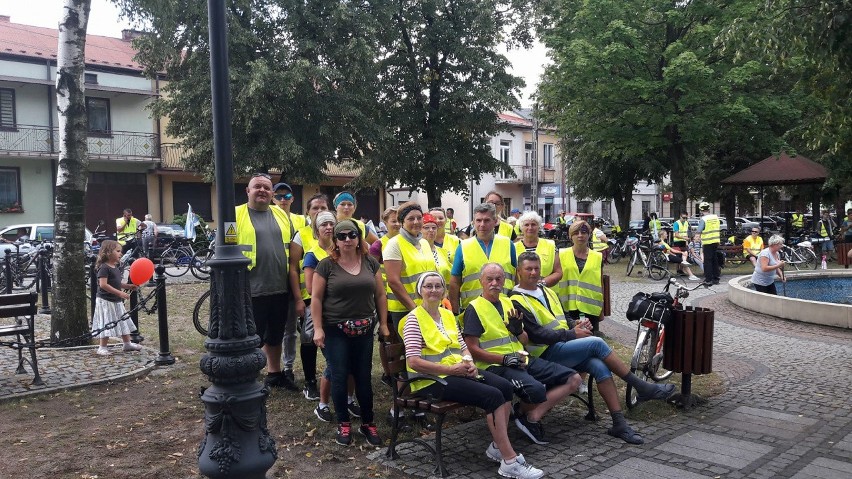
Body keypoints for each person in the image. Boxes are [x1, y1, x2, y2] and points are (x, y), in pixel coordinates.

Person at [510, 252, 675, 444]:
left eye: (536, 268)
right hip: (544, 354)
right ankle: (642, 387)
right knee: (597, 343)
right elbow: (537, 334)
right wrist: (572, 334)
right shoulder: (515, 299)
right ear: (519, 271)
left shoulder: (546, 291)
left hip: (564, 347)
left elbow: (563, 318)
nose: (533, 272)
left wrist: (576, 325)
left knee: (599, 365)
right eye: (528, 269)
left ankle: (619, 423)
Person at [401, 272, 544, 479]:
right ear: (420, 291)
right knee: (492, 396)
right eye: (428, 287)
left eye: (438, 286)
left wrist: (469, 364)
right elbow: (413, 361)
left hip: (456, 373)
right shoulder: (413, 319)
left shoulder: (447, 315)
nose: (433, 291)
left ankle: (497, 446)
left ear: (443, 291)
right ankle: (509, 461)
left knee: (504, 386)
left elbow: (462, 346)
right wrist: (452, 370)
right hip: (429, 381)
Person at [463, 263, 580, 445]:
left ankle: (527, 416)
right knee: (536, 390)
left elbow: (524, 340)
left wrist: (518, 331)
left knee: (574, 379)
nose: (494, 283)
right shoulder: (474, 308)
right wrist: (504, 359)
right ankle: (523, 415)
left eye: (498, 279)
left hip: (521, 359)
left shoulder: (508, 301)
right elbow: (472, 350)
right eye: (489, 279)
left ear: (504, 280)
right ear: (481, 281)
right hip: (495, 366)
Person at [311, 219, 387, 446]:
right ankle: (343, 423)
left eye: (351, 235)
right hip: (335, 329)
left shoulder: (370, 263)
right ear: (334, 239)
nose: (347, 239)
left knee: (363, 376)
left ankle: (368, 423)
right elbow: (316, 298)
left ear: (359, 238)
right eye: (341, 236)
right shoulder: (326, 265)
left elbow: (380, 295)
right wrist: (317, 328)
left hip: (364, 328)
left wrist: (383, 323)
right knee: (339, 375)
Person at [236, 173, 294, 389]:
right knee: (253, 336)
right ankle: (248, 375)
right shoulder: (235, 215)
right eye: (257, 186)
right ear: (248, 191)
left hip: (280, 286)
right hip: (250, 288)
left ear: (272, 193)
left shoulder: (280, 214)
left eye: (266, 188)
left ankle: (274, 373)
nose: (262, 190)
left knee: (276, 334)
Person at [302, 211, 361, 423]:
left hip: (352, 316)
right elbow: (311, 288)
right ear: (316, 230)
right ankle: (323, 404)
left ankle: (348, 398)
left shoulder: (346, 250)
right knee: (335, 365)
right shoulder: (313, 255)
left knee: (353, 362)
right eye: (323, 224)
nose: (328, 227)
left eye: (331, 224)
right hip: (329, 318)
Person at [288, 193, 331, 400]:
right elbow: (294, 268)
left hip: (333, 299)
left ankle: (332, 377)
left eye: (324, 208)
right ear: (308, 212)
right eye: (316, 208)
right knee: (308, 338)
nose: (320, 212)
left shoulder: (336, 232)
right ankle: (310, 381)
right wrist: (298, 298)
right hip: (308, 297)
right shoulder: (302, 235)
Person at [449, 202, 518, 315]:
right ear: (473, 222)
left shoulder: (508, 244)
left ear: (495, 221)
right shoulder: (463, 247)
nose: (482, 224)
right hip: (473, 311)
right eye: (478, 220)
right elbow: (454, 283)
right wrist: (455, 313)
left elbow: (516, 278)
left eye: (486, 220)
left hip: (505, 310)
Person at [91, 240, 143, 356]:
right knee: (107, 322)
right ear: (108, 252)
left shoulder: (115, 266)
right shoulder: (104, 267)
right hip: (106, 301)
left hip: (115, 300)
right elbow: (103, 284)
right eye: (118, 251)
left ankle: (127, 343)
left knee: (123, 320)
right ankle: (102, 347)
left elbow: (116, 283)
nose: (121, 254)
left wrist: (127, 286)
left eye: (121, 251)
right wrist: (120, 293)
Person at [557, 221, 605, 335]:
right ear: (570, 236)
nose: (580, 235)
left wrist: (602, 308)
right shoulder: (561, 254)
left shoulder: (597, 257)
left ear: (589, 235)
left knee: (590, 341)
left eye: (584, 232)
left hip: (590, 308)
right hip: (567, 306)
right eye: (576, 233)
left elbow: (600, 283)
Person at [515, 211, 562, 287]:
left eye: (533, 224)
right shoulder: (513, 248)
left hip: (546, 293)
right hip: (521, 293)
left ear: (539, 227)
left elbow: (558, 272)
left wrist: (541, 284)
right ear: (521, 227)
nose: (530, 228)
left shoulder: (550, 245)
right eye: (526, 225)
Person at [421, 213, 452, 284]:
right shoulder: (416, 251)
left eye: (434, 228)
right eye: (426, 228)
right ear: (420, 230)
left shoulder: (443, 252)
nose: (431, 230)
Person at [695, 201, 721, 285]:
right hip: (716, 241)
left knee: (707, 261)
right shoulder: (716, 217)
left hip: (707, 242)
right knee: (714, 260)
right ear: (709, 209)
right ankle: (716, 278)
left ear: (701, 210)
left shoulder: (704, 219)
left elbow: (699, 231)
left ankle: (708, 279)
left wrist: (696, 238)